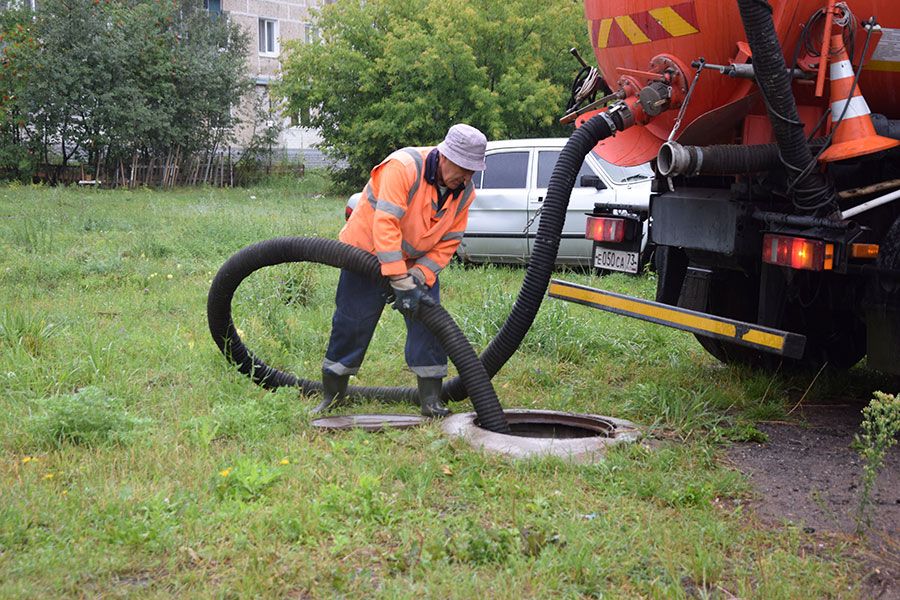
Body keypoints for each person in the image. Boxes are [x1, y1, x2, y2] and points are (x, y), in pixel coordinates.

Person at [316, 124, 488, 417]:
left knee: (430, 326)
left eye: (472, 170)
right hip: (366, 254)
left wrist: (417, 277)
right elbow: (385, 225)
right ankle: (333, 397)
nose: (467, 176)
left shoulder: (464, 191)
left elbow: (449, 241)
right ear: (444, 156)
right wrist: (398, 278)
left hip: (414, 265)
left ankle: (431, 401)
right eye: (463, 167)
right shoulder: (404, 167)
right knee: (352, 323)